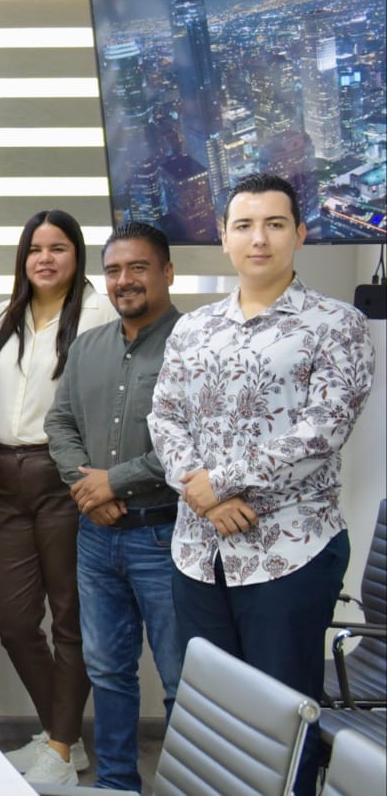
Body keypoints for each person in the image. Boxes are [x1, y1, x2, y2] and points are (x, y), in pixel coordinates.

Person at [149, 173, 375, 796]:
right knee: (212, 719)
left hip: (291, 551)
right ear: (223, 237)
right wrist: (199, 495)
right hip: (199, 554)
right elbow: (164, 417)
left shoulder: (337, 324)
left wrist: (218, 483)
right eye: (244, 226)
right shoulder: (194, 328)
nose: (259, 239)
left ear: (299, 234)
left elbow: (322, 430)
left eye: (275, 224)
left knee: (282, 719)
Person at [45, 222, 184, 792]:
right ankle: (118, 783)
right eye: (114, 270)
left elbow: (193, 443)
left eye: (138, 267)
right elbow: (60, 423)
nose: (124, 280)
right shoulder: (87, 347)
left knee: (180, 677)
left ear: (167, 272)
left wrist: (114, 484)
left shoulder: (193, 344)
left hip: (166, 537)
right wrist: (88, 489)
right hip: (96, 538)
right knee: (107, 669)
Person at [0, 210, 114, 785]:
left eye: (57, 248)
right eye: (35, 249)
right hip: (6, 476)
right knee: (13, 621)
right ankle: (62, 735)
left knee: (69, 617)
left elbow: (106, 399)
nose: (45, 259)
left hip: (64, 475)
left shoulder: (98, 313)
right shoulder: (2, 316)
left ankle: (60, 749)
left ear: (77, 254)